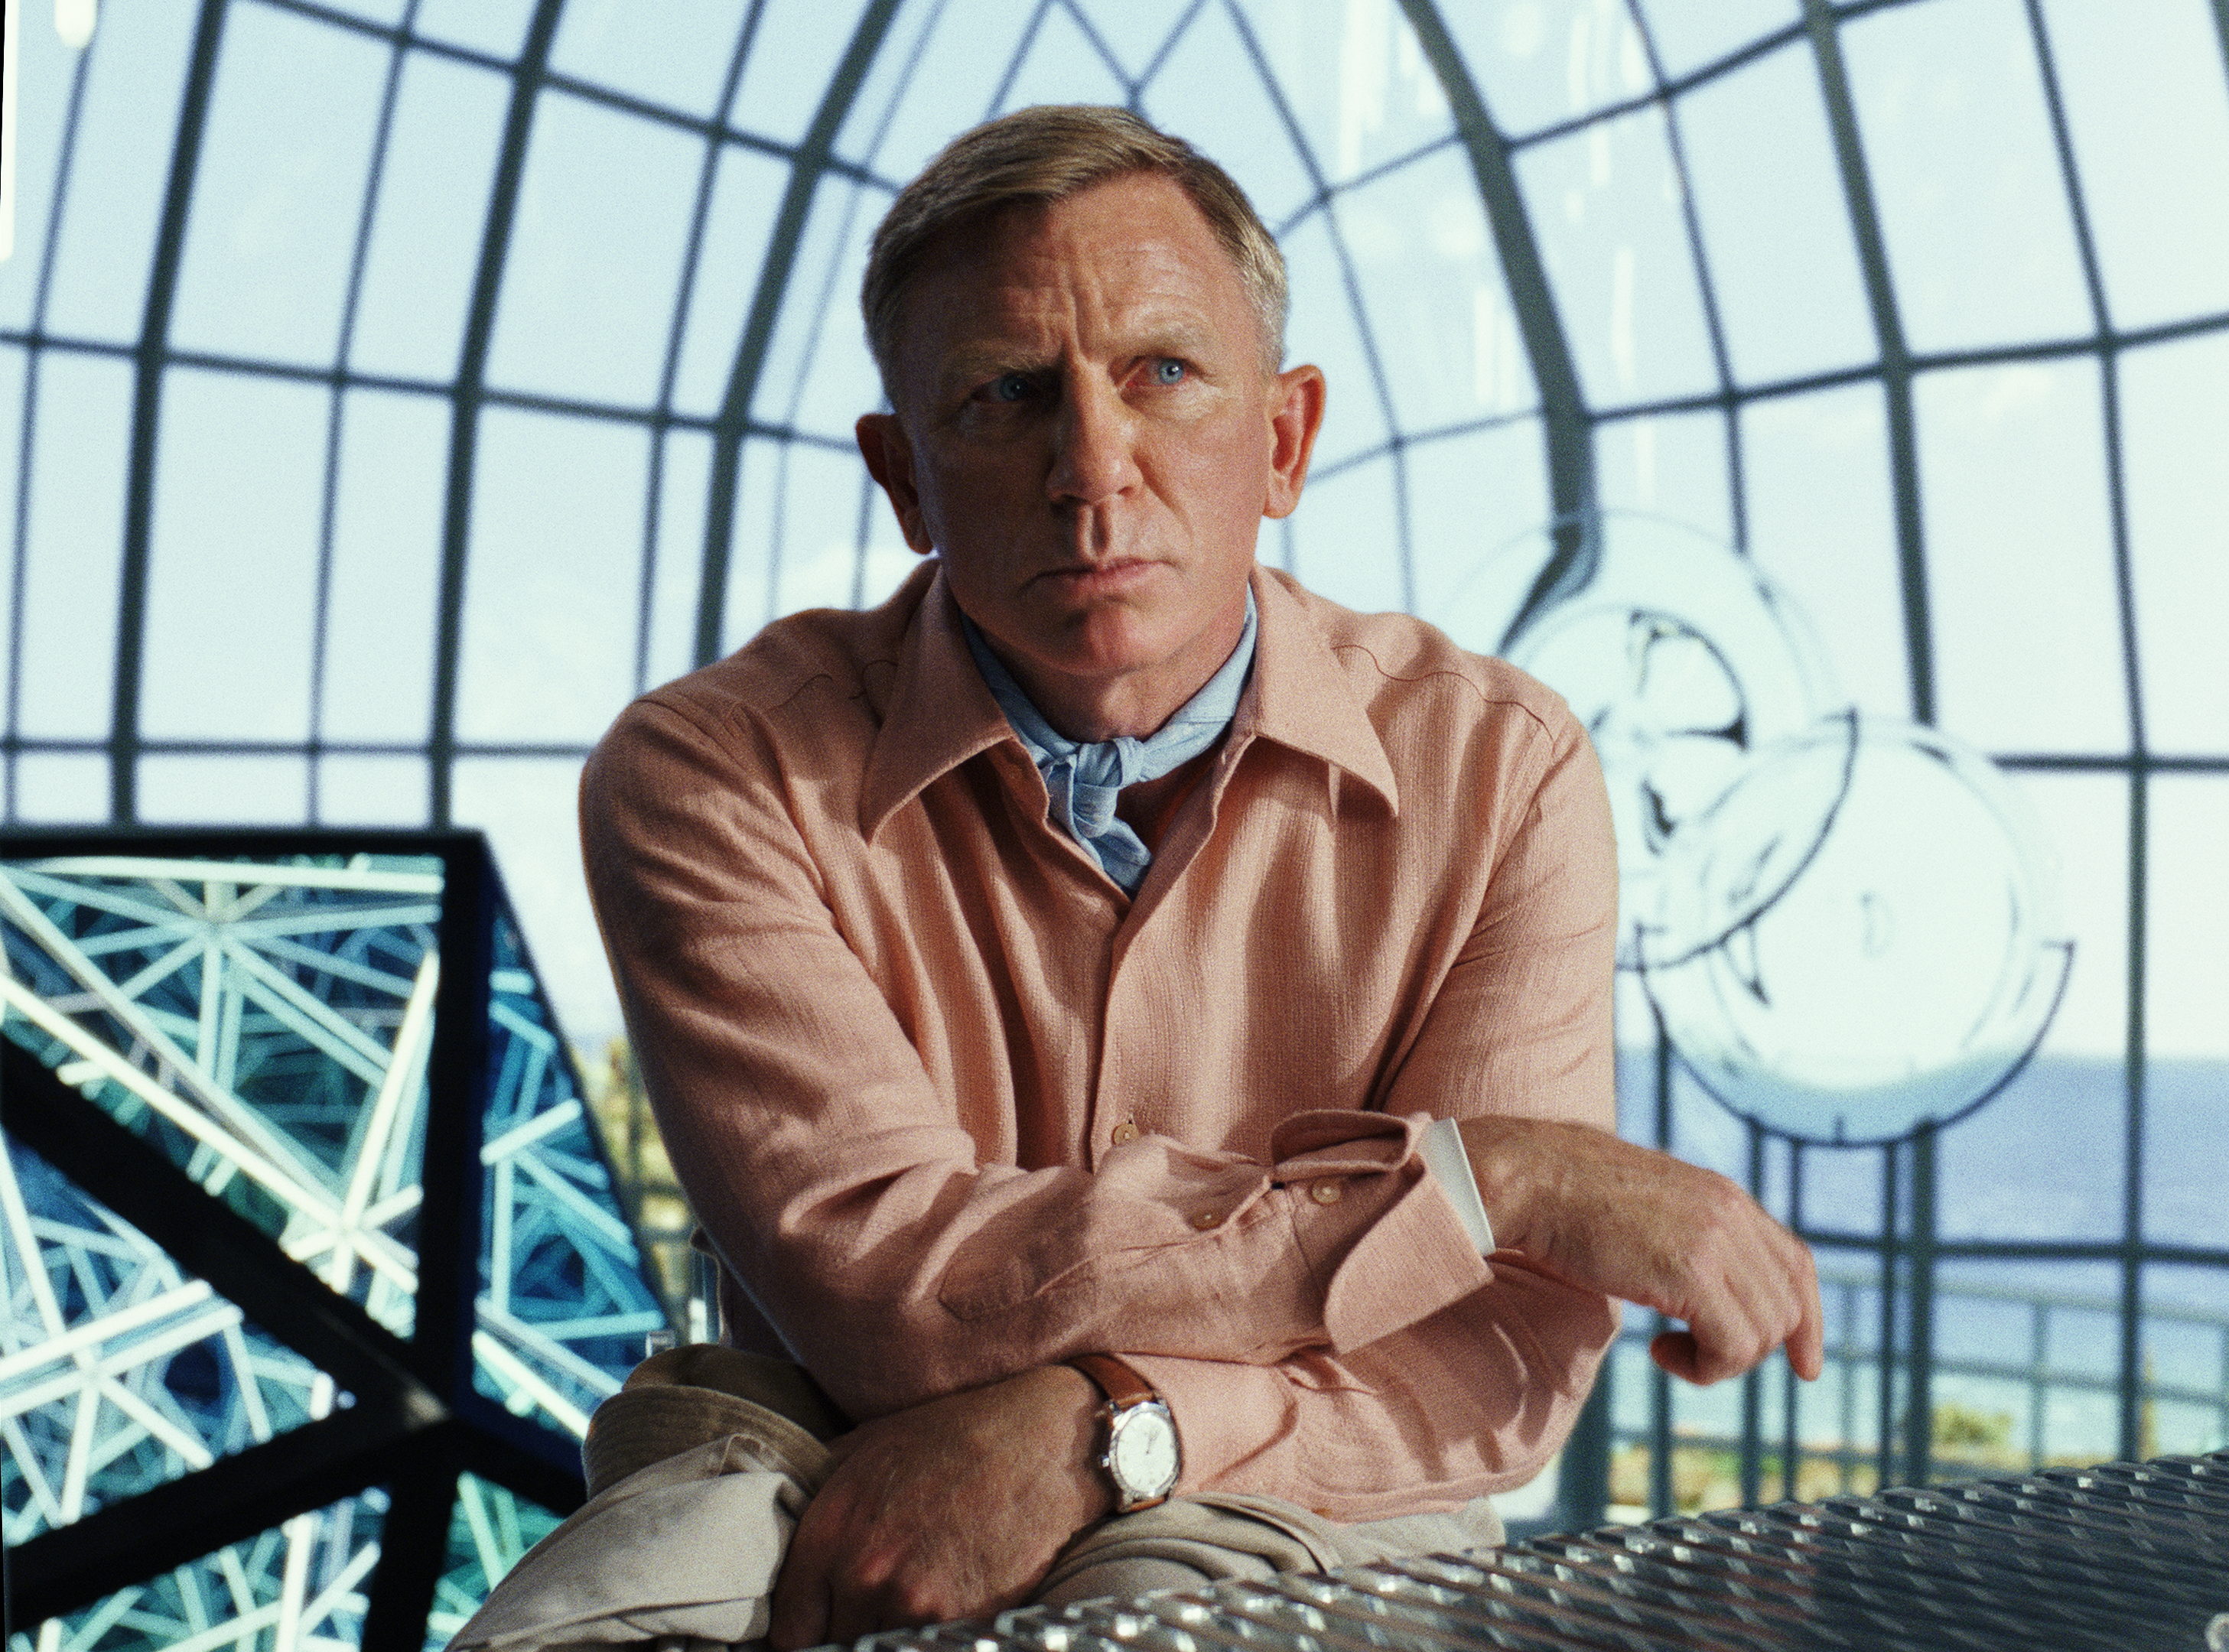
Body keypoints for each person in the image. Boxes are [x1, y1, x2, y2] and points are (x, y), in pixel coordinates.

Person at [578, 105, 1821, 1647]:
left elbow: (1494, 1360)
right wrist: (1483, 1181)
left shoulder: (1501, 771)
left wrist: (1119, 1432)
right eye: (1007, 396)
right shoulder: (712, 773)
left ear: (1283, 440)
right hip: (818, 1456)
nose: (1093, 470)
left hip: (1315, 1488)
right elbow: (897, 1300)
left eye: (1162, 374)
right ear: (905, 481)